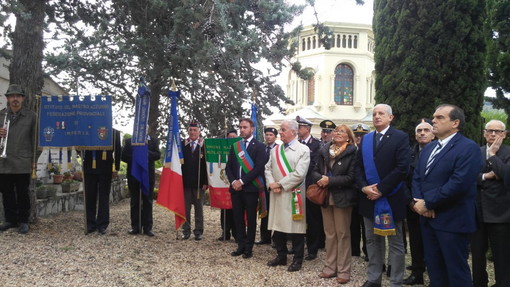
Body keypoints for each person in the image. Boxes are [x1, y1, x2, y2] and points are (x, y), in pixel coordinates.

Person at [412, 104, 483, 287]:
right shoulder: (429, 148)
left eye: (440, 117)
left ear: (455, 123)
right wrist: (418, 203)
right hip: (428, 221)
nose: (433, 120)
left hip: (453, 221)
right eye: (434, 116)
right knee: (435, 271)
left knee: (456, 272)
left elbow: (459, 183)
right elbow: (418, 177)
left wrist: (428, 204)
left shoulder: (468, 148)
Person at [356, 104, 410, 287]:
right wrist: (364, 188)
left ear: (390, 117)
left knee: (395, 243)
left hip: (391, 199)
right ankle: (374, 278)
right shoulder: (366, 140)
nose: (377, 117)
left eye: (381, 114)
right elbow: (358, 168)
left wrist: (380, 189)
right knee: (372, 240)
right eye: (374, 114)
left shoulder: (400, 137)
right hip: (368, 199)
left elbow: (402, 168)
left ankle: (396, 281)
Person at [312, 124, 358, 284]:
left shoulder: (352, 152)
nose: (338, 133)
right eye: (336, 131)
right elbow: (314, 170)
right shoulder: (324, 151)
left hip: (342, 197)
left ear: (348, 137)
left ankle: (344, 270)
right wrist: (320, 178)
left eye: (342, 132)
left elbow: (352, 177)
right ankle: (330, 267)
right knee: (329, 233)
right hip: (325, 196)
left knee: (343, 234)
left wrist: (330, 180)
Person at [265, 119, 310, 272]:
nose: (281, 132)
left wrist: (280, 184)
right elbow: (267, 169)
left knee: (296, 227)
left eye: (283, 129)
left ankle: (298, 259)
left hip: (293, 194)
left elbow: (299, 174)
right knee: (277, 227)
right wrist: (271, 183)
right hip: (277, 194)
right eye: (281, 129)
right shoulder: (275, 150)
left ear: (293, 131)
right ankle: (281, 255)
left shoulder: (303, 150)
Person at [472, 119, 510, 287]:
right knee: (477, 254)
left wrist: (493, 156)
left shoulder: (508, 153)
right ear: (484, 133)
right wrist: (486, 176)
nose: (493, 134)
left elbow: (506, 176)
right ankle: (479, 283)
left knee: (502, 256)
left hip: (501, 213)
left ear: (505, 134)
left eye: (498, 131)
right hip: (477, 211)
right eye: (490, 130)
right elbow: (466, 177)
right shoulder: (475, 152)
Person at [226, 118, 267, 259]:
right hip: (235, 189)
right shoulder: (235, 146)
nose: (242, 129)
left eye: (245, 127)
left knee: (250, 219)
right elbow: (228, 167)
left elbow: (258, 169)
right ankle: (240, 245)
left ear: (252, 129)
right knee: (238, 218)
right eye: (240, 127)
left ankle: (249, 248)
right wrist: (233, 182)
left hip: (250, 189)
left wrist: (242, 181)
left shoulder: (259, 146)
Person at [0, 84, 36, 234]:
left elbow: (35, 140)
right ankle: (10, 220)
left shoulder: (31, 116)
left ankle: (23, 221)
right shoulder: (1, 115)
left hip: (23, 161)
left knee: (22, 193)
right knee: (6, 193)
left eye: (17, 96)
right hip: (4, 162)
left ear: (22, 98)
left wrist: (34, 160)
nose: (15, 99)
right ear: (8, 99)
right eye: (12, 96)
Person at [403, 118, 435, 285]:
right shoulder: (409, 153)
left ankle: (435, 275)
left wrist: (428, 202)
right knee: (415, 240)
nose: (422, 133)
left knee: (432, 242)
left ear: (433, 134)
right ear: (415, 136)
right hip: (413, 205)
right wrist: (411, 202)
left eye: (426, 130)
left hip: (432, 206)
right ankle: (417, 273)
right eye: (419, 131)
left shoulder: (439, 152)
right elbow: (403, 179)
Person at [121, 131, 161, 237]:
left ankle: (148, 228)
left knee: (147, 200)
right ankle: (135, 226)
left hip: (147, 175)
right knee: (135, 200)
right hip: (134, 174)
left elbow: (157, 155)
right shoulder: (129, 141)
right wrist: (136, 155)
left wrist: (145, 152)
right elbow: (124, 156)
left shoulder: (153, 141)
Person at [83, 129, 121, 235]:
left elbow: (118, 150)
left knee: (104, 197)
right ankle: (90, 224)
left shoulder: (113, 132)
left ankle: (102, 224)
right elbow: (79, 146)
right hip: (90, 166)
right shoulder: (88, 129)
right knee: (90, 196)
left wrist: (116, 168)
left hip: (106, 167)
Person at [296, 115, 324, 261]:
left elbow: (314, 167)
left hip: (309, 187)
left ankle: (313, 249)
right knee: (297, 217)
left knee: (312, 219)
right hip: (296, 187)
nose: (297, 129)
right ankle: (297, 246)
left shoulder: (316, 145)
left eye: (300, 127)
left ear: (307, 129)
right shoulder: (295, 144)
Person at [181, 121, 208, 240]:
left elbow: (207, 165)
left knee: (199, 208)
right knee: (185, 209)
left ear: (199, 132)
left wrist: (206, 182)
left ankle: (198, 231)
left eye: (195, 130)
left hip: (199, 183)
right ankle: (186, 230)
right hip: (185, 182)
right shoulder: (182, 144)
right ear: (188, 131)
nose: (192, 132)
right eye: (190, 130)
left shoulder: (204, 145)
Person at [350, 123, 370, 261]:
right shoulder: (350, 150)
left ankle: (368, 252)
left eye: (362, 135)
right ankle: (354, 250)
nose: (358, 138)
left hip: (364, 191)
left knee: (366, 225)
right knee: (353, 223)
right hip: (351, 192)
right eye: (356, 135)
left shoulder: (370, 150)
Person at [255, 127, 278, 245]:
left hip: (274, 184)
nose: (268, 137)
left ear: (275, 137)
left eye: (271, 135)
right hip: (261, 183)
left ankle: (276, 238)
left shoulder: (279, 149)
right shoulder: (261, 148)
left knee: (275, 211)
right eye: (267, 135)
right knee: (264, 210)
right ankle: (265, 237)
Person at [218, 129, 238, 241]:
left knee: (236, 210)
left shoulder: (240, 148)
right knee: (224, 210)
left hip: (236, 184)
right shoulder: (222, 149)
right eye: (230, 138)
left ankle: (236, 233)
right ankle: (225, 232)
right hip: (224, 183)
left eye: (234, 137)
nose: (232, 140)